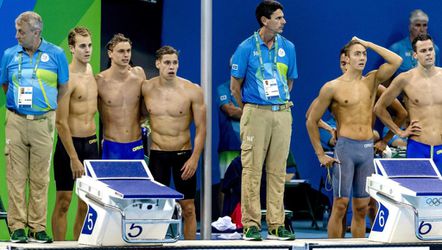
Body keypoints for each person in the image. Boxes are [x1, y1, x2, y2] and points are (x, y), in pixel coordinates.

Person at [306, 37, 402, 238]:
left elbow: (396, 61)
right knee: (340, 206)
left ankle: (358, 246)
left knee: (362, 207)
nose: (362, 57)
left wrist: (367, 44)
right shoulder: (332, 87)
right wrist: (320, 154)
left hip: (367, 149)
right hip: (345, 149)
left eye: (364, 54)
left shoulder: (372, 80)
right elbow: (311, 120)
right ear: (346, 59)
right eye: (357, 54)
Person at [230, 0, 297, 241]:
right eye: (278, 18)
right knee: (252, 169)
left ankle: (277, 224)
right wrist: (251, 109)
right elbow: (234, 87)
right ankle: (250, 224)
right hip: (255, 112)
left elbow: (290, 81)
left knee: (278, 171)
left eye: (282, 17)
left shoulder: (288, 47)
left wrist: (277, 103)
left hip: (282, 112)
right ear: (264, 20)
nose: (283, 21)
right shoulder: (246, 48)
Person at [0, 11, 69, 243]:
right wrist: (19, 108)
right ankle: (17, 226)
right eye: (17, 30)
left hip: (43, 123)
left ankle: (37, 228)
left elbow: (64, 88)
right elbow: (5, 84)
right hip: (15, 122)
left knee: (40, 179)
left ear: (36, 32)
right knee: (15, 176)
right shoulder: (9, 54)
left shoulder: (57, 54)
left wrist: (46, 108)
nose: (17, 35)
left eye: (21, 31)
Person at [142, 45, 206, 240]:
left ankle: (190, 247)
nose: (172, 67)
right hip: (157, 154)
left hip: (183, 155)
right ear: (158, 64)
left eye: (175, 63)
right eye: (167, 63)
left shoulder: (192, 90)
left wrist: (195, 158)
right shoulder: (146, 88)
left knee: (188, 208)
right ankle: (153, 244)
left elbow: (202, 128)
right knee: (154, 208)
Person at [51, 27, 98, 241]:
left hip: (91, 144)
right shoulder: (66, 79)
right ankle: (60, 246)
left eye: (89, 45)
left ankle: (78, 245)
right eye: (82, 46)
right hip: (69, 147)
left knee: (86, 203)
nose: (87, 50)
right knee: (64, 201)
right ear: (71, 48)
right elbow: (60, 122)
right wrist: (73, 158)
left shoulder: (93, 75)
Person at [375, 34, 442, 171]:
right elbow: (379, 108)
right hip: (418, 147)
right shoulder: (404, 79)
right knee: (418, 190)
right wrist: (399, 132)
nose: (428, 54)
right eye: (423, 51)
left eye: (430, 49)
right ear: (415, 55)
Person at [97, 33, 146, 159]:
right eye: (121, 51)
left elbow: (146, 107)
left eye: (128, 51)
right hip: (112, 146)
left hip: (136, 144)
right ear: (110, 54)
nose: (126, 55)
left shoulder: (139, 75)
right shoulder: (100, 81)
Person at [389, 9, 439, 77]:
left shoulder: (434, 49)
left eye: (424, 25)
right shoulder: (396, 49)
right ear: (410, 27)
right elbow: (386, 79)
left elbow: (437, 75)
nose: (422, 29)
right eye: (418, 25)